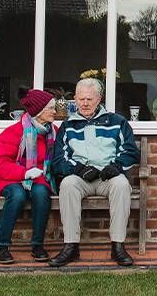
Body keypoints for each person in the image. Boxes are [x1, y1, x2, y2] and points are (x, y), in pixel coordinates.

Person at [47, 77, 139, 267]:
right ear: (75, 99)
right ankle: (71, 246)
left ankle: (118, 246)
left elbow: (130, 151)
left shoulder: (117, 122)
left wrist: (115, 167)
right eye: (81, 99)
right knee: (68, 184)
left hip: (108, 177)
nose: (85, 103)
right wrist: (78, 169)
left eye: (89, 99)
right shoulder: (68, 126)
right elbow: (58, 160)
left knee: (122, 185)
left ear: (99, 99)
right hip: (82, 178)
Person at [0, 89, 58, 264]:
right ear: (39, 111)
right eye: (51, 108)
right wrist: (24, 173)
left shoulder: (53, 132)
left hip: (39, 178)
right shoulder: (14, 132)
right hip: (9, 178)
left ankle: (37, 245)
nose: (55, 112)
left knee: (42, 194)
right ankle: (2, 247)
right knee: (17, 195)